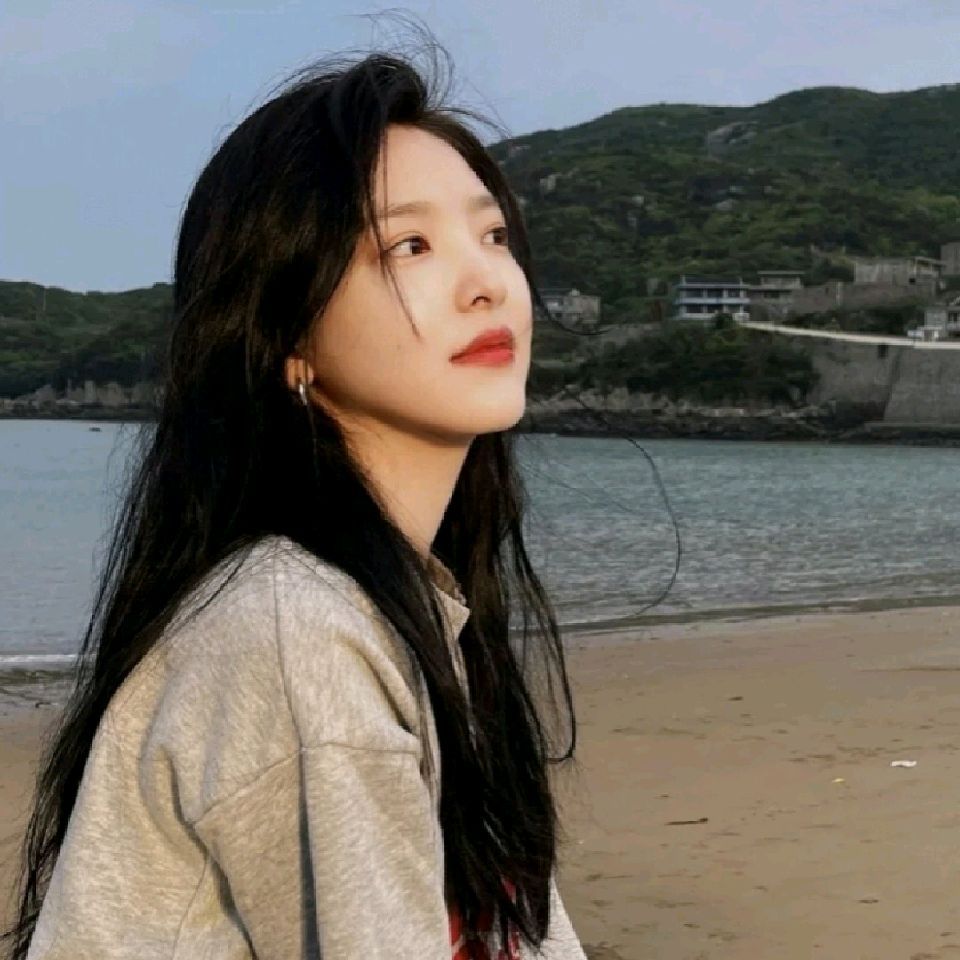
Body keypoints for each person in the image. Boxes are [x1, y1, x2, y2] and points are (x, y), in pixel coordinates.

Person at [3, 42, 586, 960]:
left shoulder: (413, 610)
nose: (487, 283)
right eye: (410, 245)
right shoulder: (296, 629)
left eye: (494, 236)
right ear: (289, 334)